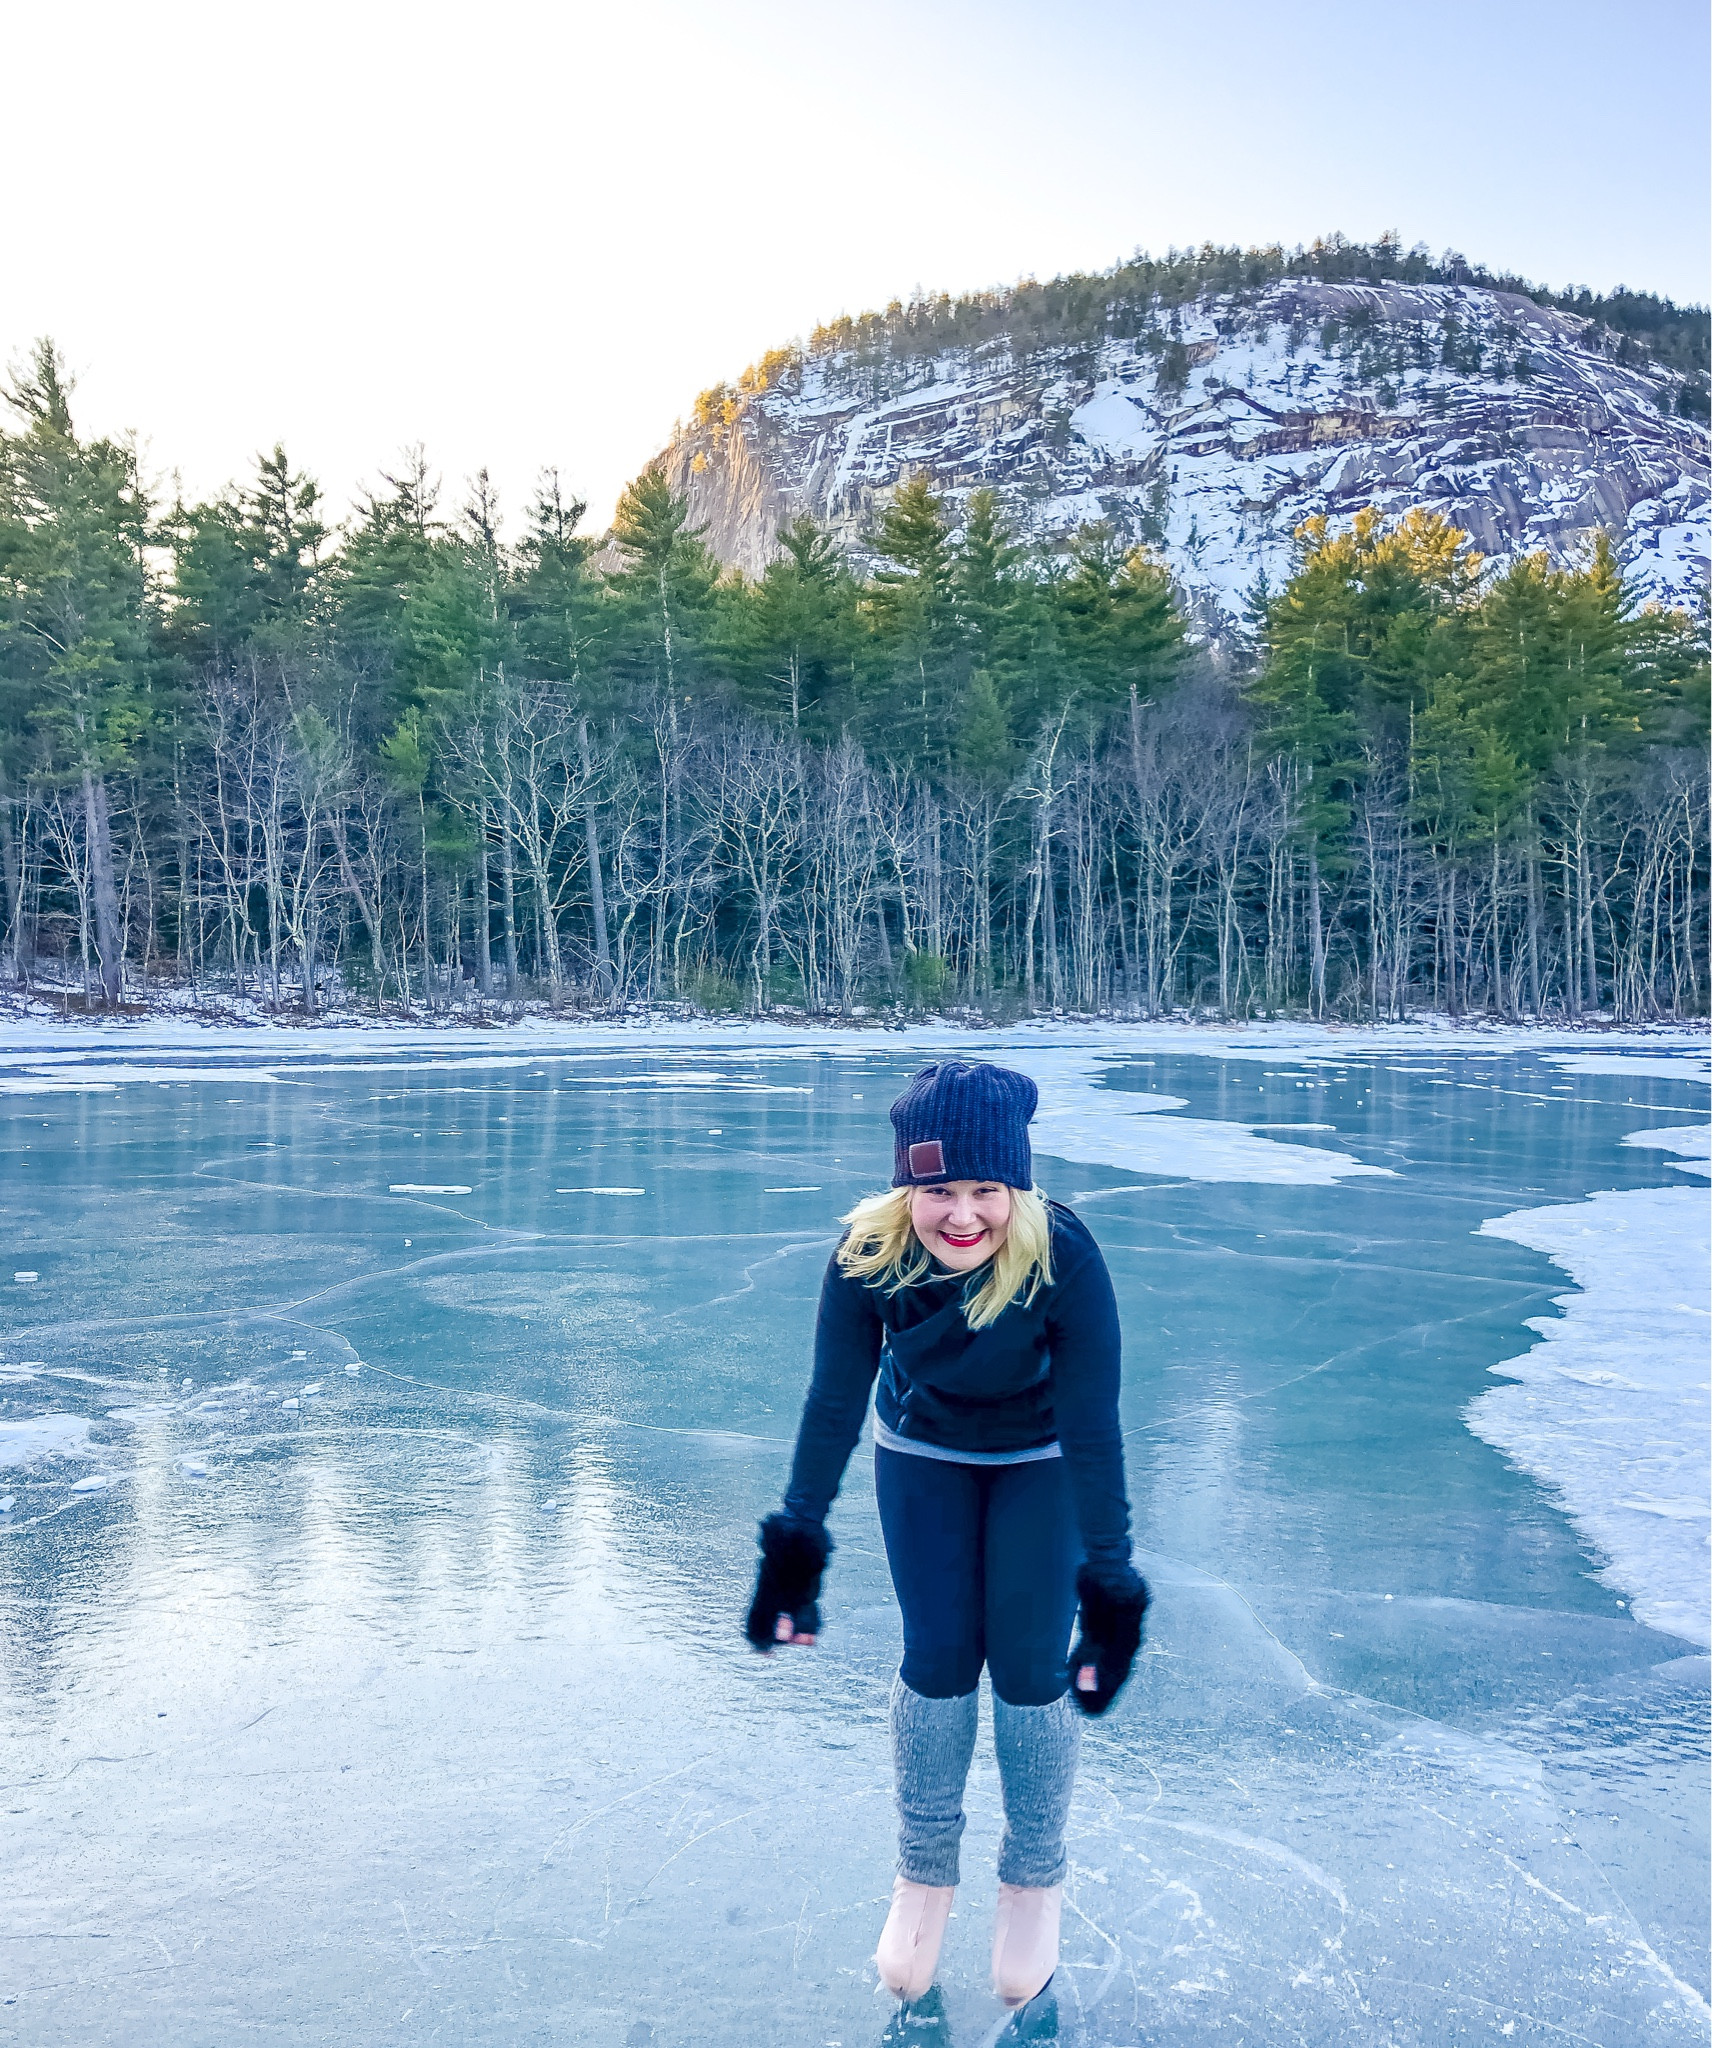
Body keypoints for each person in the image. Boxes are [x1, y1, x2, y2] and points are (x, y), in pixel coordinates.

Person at [744, 1059, 1148, 2010]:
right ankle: (923, 1877)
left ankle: (1031, 1882)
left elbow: (1094, 1424)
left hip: (1040, 1459)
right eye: (937, 1190)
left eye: (985, 1190)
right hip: (920, 1449)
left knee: (1027, 1665)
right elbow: (835, 1397)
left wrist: (1113, 1581)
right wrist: (795, 1543)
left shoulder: (1064, 1259)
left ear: (1018, 1188)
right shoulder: (866, 1256)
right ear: (905, 1189)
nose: (962, 1214)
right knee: (937, 1656)